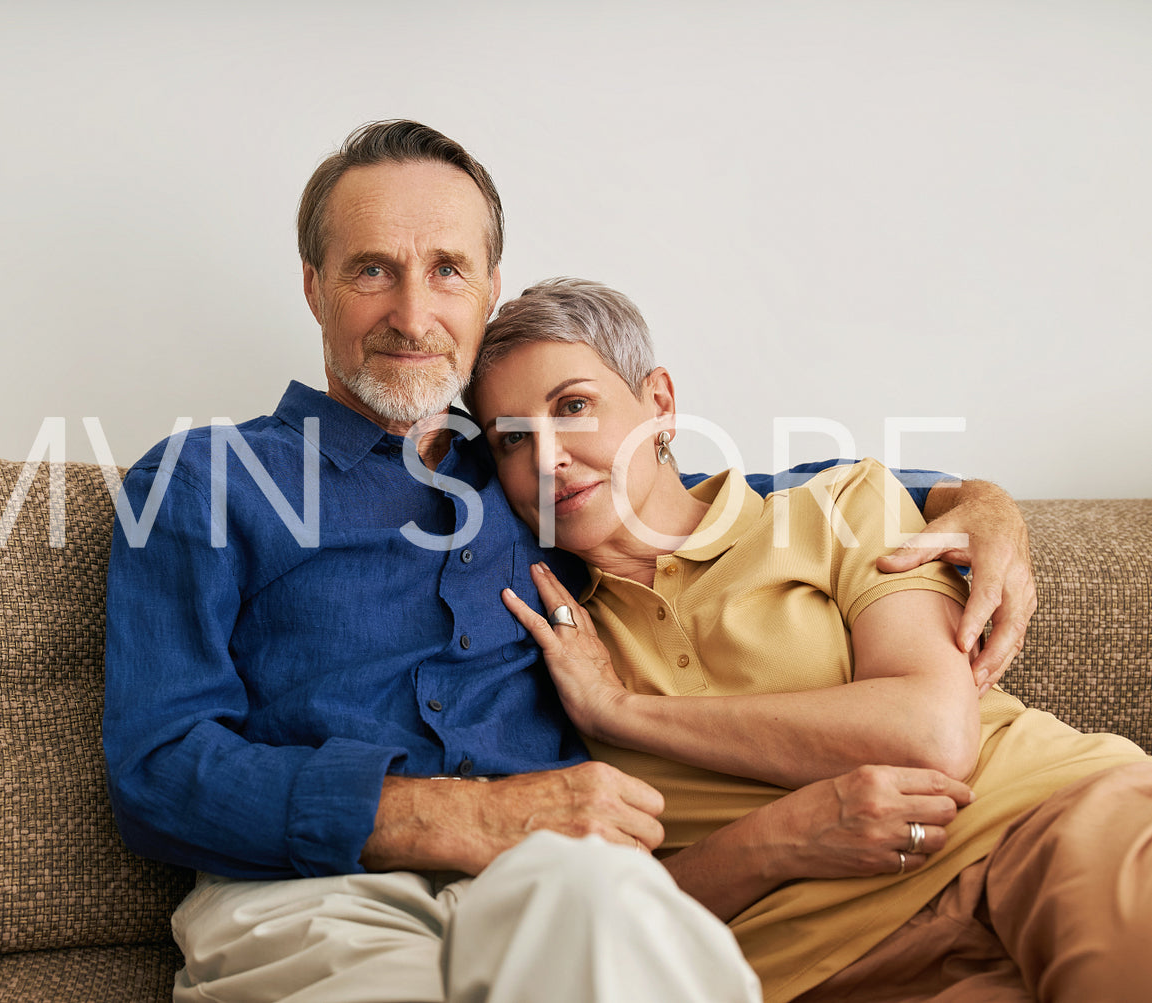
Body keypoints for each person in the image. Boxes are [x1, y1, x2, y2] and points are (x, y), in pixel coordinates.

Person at [103, 120, 1037, 1003]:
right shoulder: (204, 479)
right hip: (314, 893)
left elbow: (760, 490)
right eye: (371, 271)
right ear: (313, 286)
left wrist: (977, 502)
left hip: (553, 876)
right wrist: (458, 816)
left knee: (622, 922)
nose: (413, 311)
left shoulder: (531, 472)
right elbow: (156, 768)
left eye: (447, 269)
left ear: (489, 291)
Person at [467, 276, 1152, 1003]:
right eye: (511, 438)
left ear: (659, 403)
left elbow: (930, 732)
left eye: (572, 406)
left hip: (1041, 818)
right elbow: (622, 914)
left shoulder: (835, 505)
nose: (546, 459)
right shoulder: (544, 643)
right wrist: (778, 837)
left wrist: (620, 712)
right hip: (822, 965)